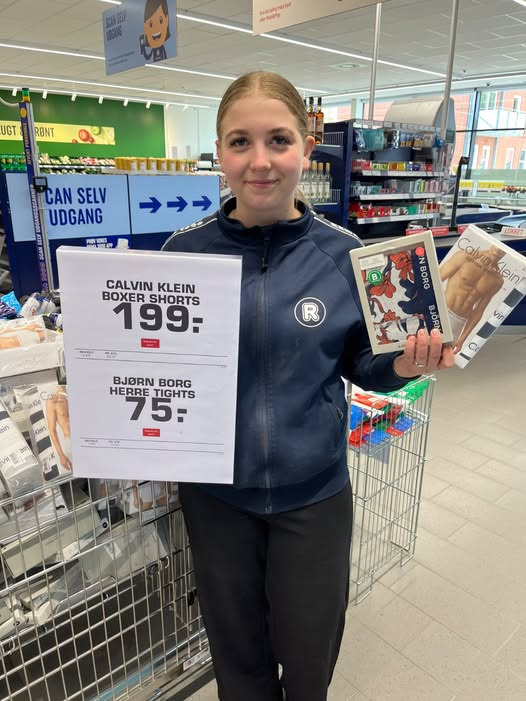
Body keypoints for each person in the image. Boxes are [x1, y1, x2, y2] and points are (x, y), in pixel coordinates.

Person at [162, 71, 454, 701]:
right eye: (240, 142)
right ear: (219, 151)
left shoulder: (343, 255)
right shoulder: (183, 254)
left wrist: (404, 366)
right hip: (217, 499)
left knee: (310, 656)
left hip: (314, 496)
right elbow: (160, 366)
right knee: (238, 661)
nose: (260, 161)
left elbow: (361, 362)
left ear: (307, 145)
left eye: (279, 140)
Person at [440, 243, 505, 353]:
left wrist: (462, 339)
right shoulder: (465, 256)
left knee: (442, 356)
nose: (499, 250)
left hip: (459, 321)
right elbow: (436, 279)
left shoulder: (498, 280)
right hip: (441, 311)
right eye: (497, 245)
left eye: (503, 249)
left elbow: (479, 310)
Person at [45, 385, 72, 471]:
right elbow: (52, 431)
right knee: (77, 472)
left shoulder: (76, 395)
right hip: (71, 441)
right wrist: (61, 455)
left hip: (85, 440)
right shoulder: (52, 401)